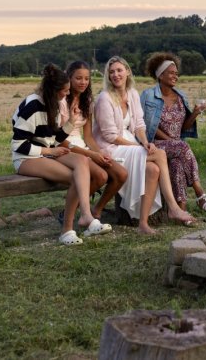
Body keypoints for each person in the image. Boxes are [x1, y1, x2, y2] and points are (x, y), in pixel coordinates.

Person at [93, 56, 196, 235]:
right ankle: (173, 207)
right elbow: (110, 136)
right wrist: (137, 147)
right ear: (108, 76)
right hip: (110, 148)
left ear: (127, 72)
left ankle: (143, 223)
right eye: (111, 72)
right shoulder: (104, 98)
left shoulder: (132, 94)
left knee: (153, 170)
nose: (116, 75)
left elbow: (140, 125)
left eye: (119, 70)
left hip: (130, 144)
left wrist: (146, 143)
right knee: (161, 155)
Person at [11, 63, 112, 246]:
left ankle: (86, 216)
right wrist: (49, 150)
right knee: (77, 177)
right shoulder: (32, 105)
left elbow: (56, 138)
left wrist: (71, 122)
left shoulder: (55, 104)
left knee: (82, 160)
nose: (67, 94)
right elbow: (18, 145)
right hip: (27, 158)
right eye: (64, 91)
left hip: (47, 154)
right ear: (53, 90)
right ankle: (68, 229)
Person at [141, 52, 206, 213]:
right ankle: (200, 194)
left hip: (177, 146)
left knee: (177, 164)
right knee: (182, 147)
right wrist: (171, 140)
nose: (176, 76)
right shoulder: (148, 95)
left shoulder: (181, 96)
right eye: (171, 73)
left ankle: (181, 209)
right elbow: (146, 125)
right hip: (156, 144)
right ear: (160, 75)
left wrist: (195, 113)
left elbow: (183, 128)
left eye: (177, 73)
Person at [59, 60, 128, 221]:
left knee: (121, 174)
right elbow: (59, 140)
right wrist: (91, 155)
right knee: (101, 176)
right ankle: (70, 212)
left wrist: (99, 153)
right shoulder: (61, 101)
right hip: (65, 147)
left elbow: (88, 136)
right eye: (78, 78)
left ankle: (97, 210)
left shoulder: (87, 101)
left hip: (83, 146)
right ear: (69, 78)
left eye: (86, 78)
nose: (83, 82)